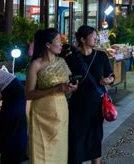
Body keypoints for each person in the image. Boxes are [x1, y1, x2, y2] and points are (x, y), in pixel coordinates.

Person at [26, 28, 76, 163]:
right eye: (58, 41)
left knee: (59, 148)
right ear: (48, 44)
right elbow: (29, 94)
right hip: (41, 112)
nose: (61, 44)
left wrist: (70, 88)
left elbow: (66, 88)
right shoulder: (35, 65)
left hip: (61, 110)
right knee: (41, 151)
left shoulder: (61, 62)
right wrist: (53, 90)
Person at [66, 25, 115, 164]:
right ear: (82, 39)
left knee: (95, 135)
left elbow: (111, 74)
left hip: (97, 103)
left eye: (96, 36)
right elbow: (65, 79)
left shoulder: (101, 56)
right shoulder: (71, 59)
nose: (96, 39)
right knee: (76, 136)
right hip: (78, 104)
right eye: (93, 36)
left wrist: (109, 79)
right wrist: (69, 86)